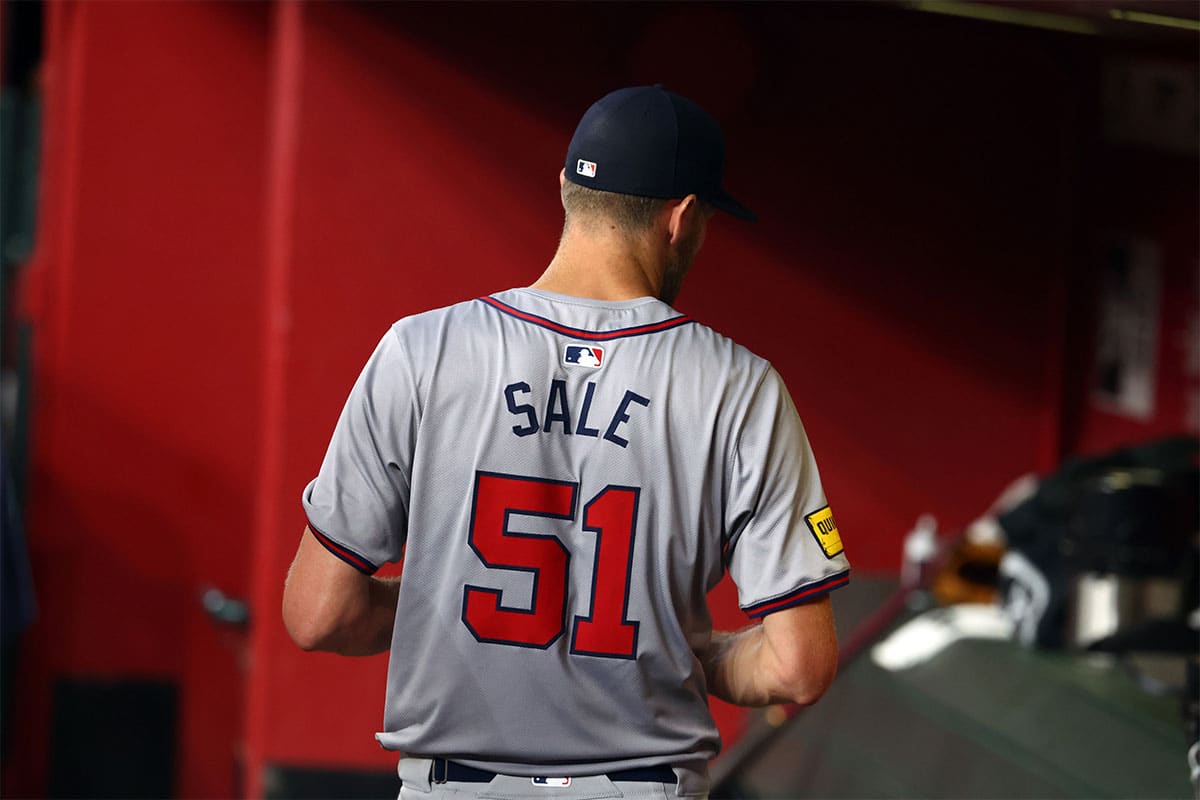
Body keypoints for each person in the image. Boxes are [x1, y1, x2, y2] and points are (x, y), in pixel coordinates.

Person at [282, 85, 850, 800]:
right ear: (679, 219)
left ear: (565, 191)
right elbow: (799, 667)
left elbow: (316, 613)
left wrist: (445, 598)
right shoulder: (740, 388)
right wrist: (678, 648)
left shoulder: (421, 351)